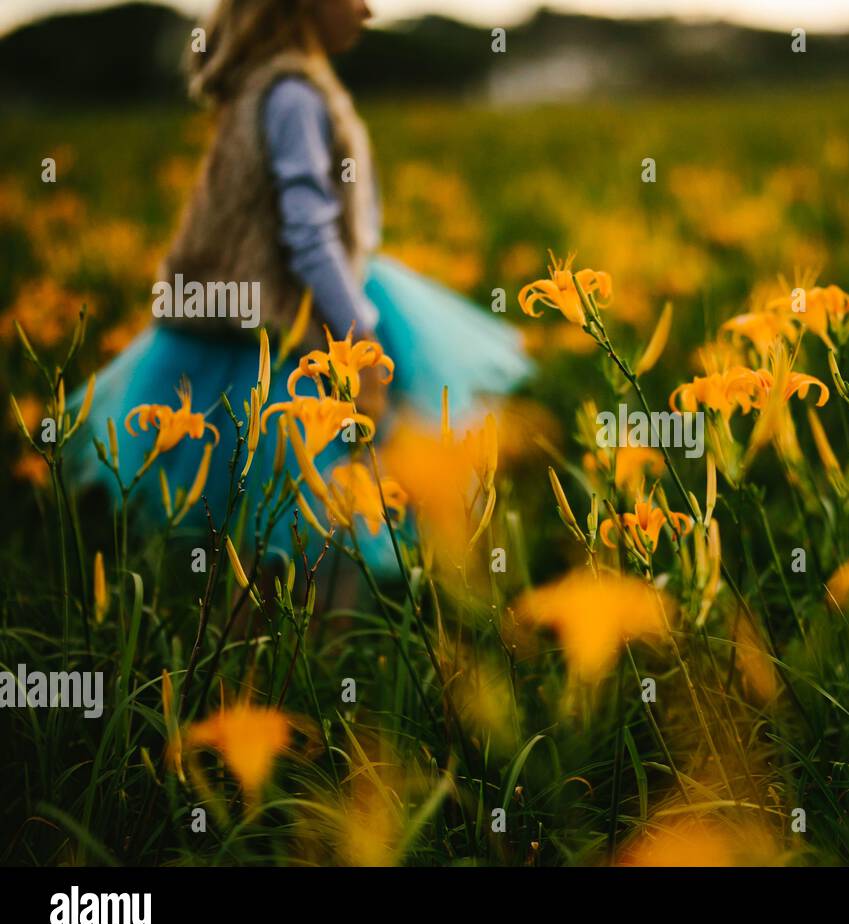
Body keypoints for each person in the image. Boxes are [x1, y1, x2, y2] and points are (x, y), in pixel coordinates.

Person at [67, 0, 532, 566]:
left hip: (246, 321)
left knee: (255, 533)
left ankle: (262, 647)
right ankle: (311, 648)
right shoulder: (294, 93)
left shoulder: (265, 85)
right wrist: (360, 338)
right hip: (291, 330)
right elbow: (310, 237)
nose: (368, 9)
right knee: (316, 532)